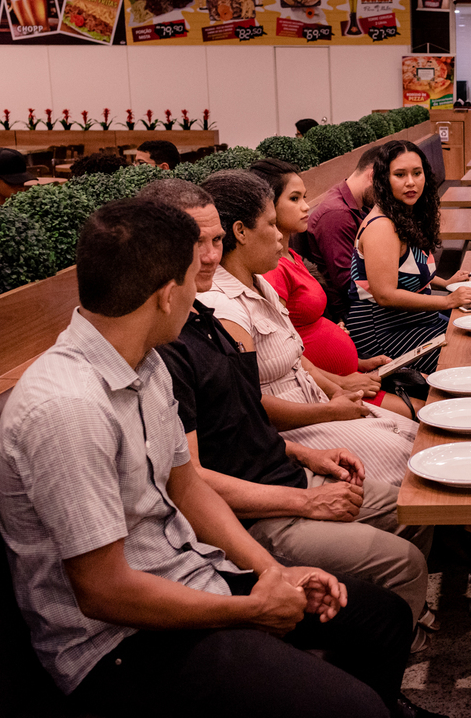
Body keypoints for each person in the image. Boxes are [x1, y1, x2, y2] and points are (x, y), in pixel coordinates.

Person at [0, 198, 437, 718]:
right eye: (192, 275)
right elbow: (104, 591)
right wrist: (248, 610)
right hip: (120, 647)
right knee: (353, 706)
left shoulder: (144, 362)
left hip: (194, 574)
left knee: (381, 617)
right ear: (167, 295)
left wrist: (273, 573)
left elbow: (187, 487)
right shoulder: (67, 408)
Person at [143, 178, 435, 643]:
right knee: (404, 558)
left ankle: (394, 625)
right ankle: (384, 636)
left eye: (215, 241)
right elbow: (191, 481)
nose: (210, 256)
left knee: (419, 505)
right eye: (197, 244)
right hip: (258, 511)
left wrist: (307, 456)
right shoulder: (168, 345)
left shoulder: (202, 317)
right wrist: (307, 498)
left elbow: (243, 420)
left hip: (286, 470)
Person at [195, 169, 419, 488]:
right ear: (241, 232)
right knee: (409, 460)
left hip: (318, 402)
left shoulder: (259, 282)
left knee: (416, 435)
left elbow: (297, 360)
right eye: (271, 224)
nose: (279, 236)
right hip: (295, 428)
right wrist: (331, 409)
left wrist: (336, 391)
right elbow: (248, 406)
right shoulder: (224, 305)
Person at [251, 157, 414, 417]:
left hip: (349, 376)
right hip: (328, 390)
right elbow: (285, 352)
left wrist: (358, 363)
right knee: (425, 412)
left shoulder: (291, 256)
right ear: (268, 206)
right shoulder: (273, 270)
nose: (306, 206)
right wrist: (341, 382)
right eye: (294, 199)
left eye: (304, 197)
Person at [343, 140, 471, 374]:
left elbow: (407, 269)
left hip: (416, 321)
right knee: (467, 356)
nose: (410, 182)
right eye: (400, 175)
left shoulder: (404, 215)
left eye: (417, 173)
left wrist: (446, 284)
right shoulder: (382, 226)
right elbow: (385, 295)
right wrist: (447, 301)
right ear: (383, 179)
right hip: (383, 333)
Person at [307, 145, 381, 317]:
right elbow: (348, 282)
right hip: (354, 314)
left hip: (368, 302)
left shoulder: (358, 205)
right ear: (372, 176)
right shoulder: (337, 214)